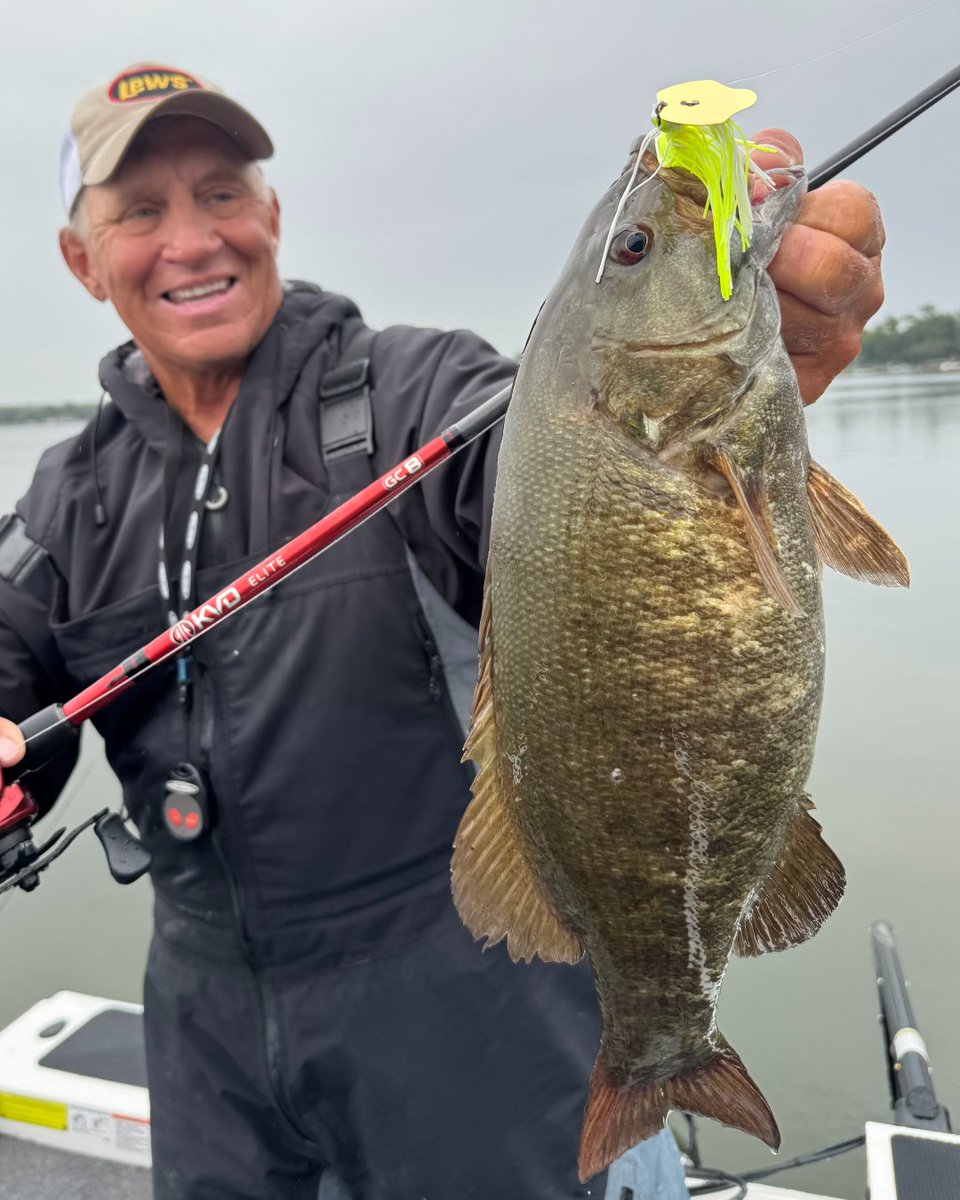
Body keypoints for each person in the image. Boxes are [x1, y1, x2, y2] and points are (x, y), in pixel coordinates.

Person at [0, 63, 884, 1200]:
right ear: (83, 260)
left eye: (222, 193)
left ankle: (658, 1056)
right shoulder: (73, 494)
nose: (191, 239)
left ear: (271, 216)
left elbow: (531, 474)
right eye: (140, 210)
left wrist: (764, 361)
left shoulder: (422, 395)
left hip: (477, 1019)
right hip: (205, 1039)